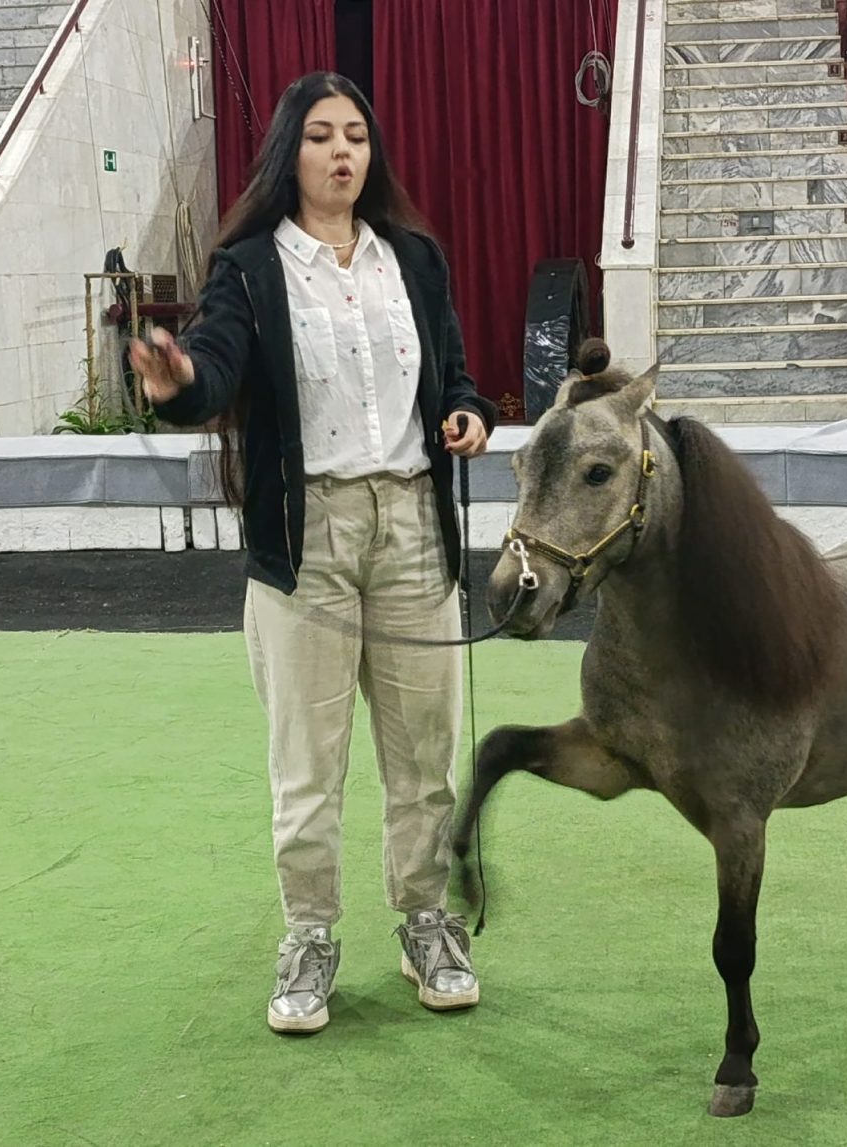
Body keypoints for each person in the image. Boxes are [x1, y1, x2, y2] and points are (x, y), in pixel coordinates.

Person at [130, 71, 496, 1035]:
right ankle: (309, 935)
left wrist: (468, 412)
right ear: (289, 152)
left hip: (415, 526)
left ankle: (426, 921)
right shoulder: (251, 265)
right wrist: (178, 383)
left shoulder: (411, 256)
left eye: (358, 139)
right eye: (324, 137)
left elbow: (453, 368)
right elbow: (214, 370)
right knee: (308, 761)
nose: (344, 153)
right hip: (310, 540)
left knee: (425, 756)